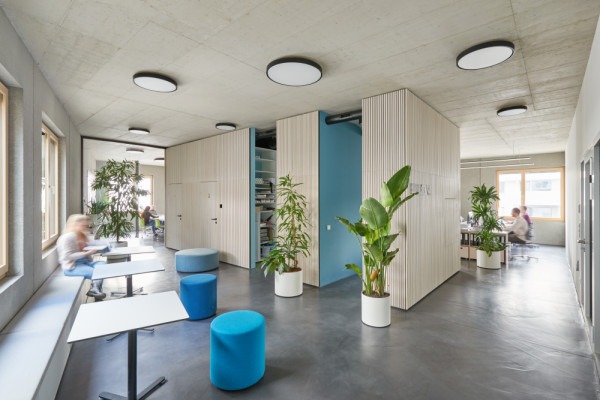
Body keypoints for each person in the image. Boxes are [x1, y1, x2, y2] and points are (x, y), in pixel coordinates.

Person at [57, 214, 106, 299]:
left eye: (87, 225)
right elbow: (67, 256)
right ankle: (95, 289)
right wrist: (86, 253)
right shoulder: (67, 237)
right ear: (75, 224)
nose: (86, 227)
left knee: (103, 264)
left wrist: (93, 250)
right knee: (95, 272)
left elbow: (91, 247)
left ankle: (95, 288)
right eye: (84, 225)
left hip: (85, 263)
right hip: (73, 266)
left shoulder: (82, 235)